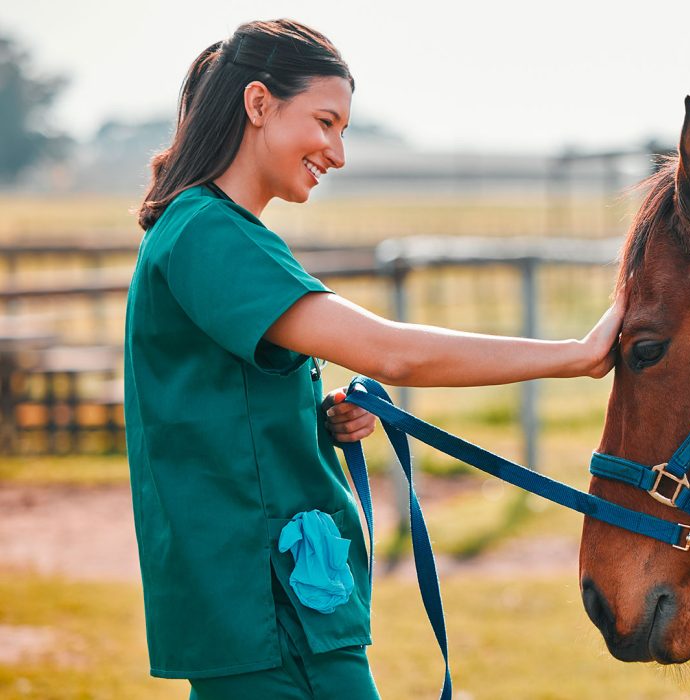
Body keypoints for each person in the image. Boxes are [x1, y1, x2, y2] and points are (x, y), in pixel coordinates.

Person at [127, 19, 624, 699]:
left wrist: (315, 416)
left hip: (266, 602)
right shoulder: (211, 235)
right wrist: (576, 354)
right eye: (325, 122)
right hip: (270, 608)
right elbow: (395, 354)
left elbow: (220, 402)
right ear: (259, 105)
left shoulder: (207, 230)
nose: (335, 151)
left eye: (344, 130)